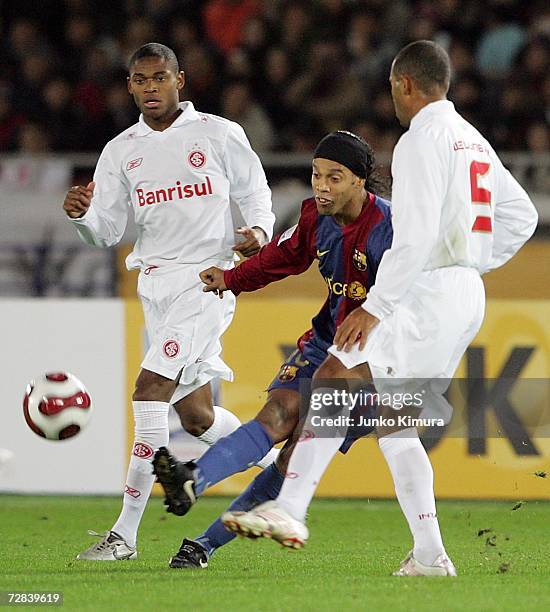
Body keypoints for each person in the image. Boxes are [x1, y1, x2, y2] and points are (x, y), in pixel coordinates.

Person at [221, 40, 539, 576]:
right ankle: (430, 554)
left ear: (404, 84)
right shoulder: (471, 138)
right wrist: (472, 261)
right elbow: (522, 217)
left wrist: (379, 304)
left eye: (392, 85)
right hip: (464, 293)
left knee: (334, 371)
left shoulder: (421, 140)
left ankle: (291, 508)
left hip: (429, 290)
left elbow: (411, 236)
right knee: (396, 423)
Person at [63, 42, 278, 560]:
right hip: (155, 285)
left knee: (149, 389)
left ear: (180, 80)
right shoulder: (121, 150)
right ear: (131, 86)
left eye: (160, 77)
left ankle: (124, 536)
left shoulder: (220, 134)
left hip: (207, 281)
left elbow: (256, 193)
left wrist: (258, 231)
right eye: (141, 80)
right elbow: (109, 230)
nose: (151, 87)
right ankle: (278, 471)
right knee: (198, 417)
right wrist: (82, 218)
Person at [150, 130, 393, 566]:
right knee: (276, 414)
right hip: (326, 344)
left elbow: (417, 295)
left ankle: (205, 544)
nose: (321, 186)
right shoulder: (316, 219)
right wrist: (232, 279)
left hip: (376, 363)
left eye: (334, 178)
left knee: (294, 455)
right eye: (317, 175)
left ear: (360, 181)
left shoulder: (389, 230)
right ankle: (193, 479)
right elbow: (283, 256)